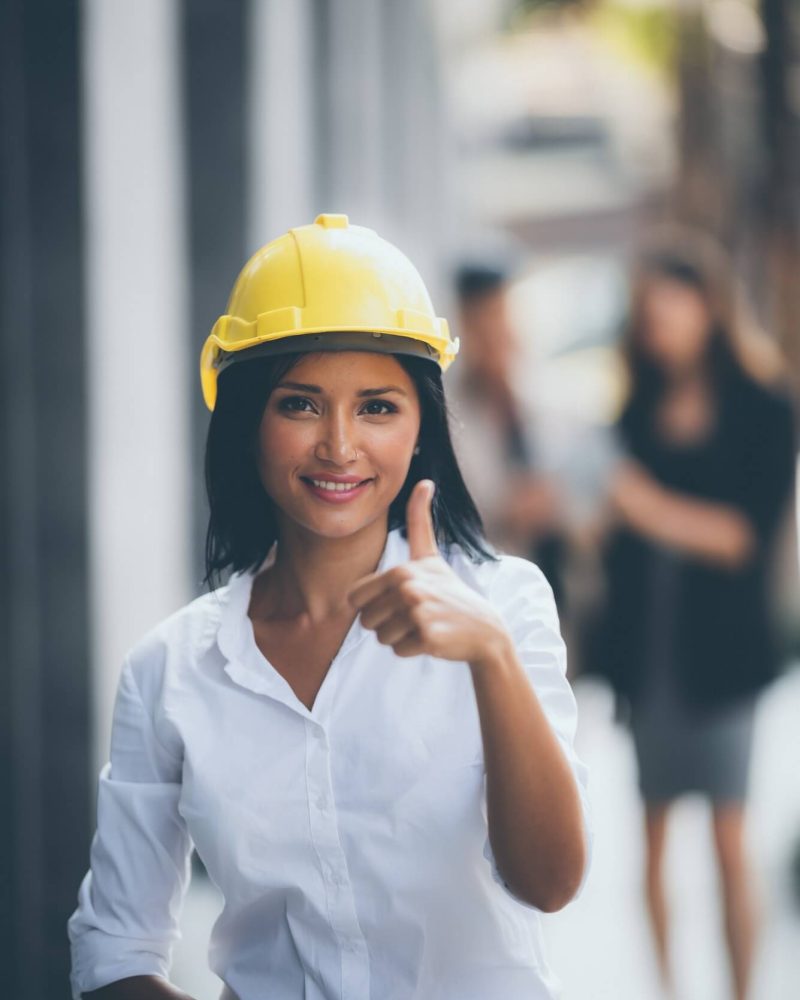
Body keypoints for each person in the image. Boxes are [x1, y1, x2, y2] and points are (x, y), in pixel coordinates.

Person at [68, 215, 593, 1000]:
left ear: (421, 426)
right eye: (301, 405)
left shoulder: (505, 604)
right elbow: (113, 954)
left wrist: (491, 654)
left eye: (377, 407)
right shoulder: (169, 669)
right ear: (247, 421)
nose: (340, 446)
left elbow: (550, 882)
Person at [582, 226, 798, 1000]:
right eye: (648, 315)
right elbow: (607, 529)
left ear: (709, 307)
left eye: (670, 309)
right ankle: (669, 990)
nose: (658, 327)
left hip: (726, 652)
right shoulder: (635, 410)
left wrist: (641, 505)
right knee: (650, 841)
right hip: (649, 651)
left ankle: (743, 992)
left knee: (732, 841)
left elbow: (743, 537)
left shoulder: (765, 408)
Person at [446, 259, 570, 615]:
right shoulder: (448, 412)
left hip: (557, 591)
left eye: (501, 318)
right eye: (482, 323)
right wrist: (507, 510)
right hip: (485, 595)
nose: (495, 335)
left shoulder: (548, 400)